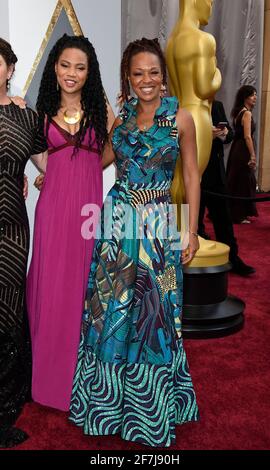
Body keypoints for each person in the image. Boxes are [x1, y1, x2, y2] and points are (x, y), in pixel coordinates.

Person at [69, 38, 200, 447]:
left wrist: (191, 229)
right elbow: (100, 159)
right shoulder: (121, 118)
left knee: (154, 318)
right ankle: (107, 406)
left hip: (160, 225)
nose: (147, 80)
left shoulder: (180, 119)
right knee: (111, 314)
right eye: (138, 73)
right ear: (128, 76)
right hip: (117, 223)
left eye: (154, 72)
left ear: (164, 77)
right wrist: (51, 164)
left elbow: (193, 176)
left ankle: (151, 408)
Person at [26, 34, 108, 412]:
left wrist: (85, 169)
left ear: (89, 72)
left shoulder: (102, 111)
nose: (71, 73)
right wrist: (50, 175)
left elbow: (109, 154)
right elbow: (43, 162)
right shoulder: (41, 113)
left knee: (85, 290)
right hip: (54, 212)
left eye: (80, 67)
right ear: (54, 68)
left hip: (89, 213)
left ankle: (84, 384)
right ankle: (49, 383)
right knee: (53, 289)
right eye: (64, 65)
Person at [0, 38, 47, 447]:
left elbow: (51, 165)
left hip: (13, 227)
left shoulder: (26, 118)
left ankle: (5, 408)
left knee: (10, 308)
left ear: (10, 69)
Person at [166, 0, 221, 209]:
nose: (210, 7)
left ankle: (177, 233)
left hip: (176, 113)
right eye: (209, 2)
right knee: (192, 178)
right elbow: (205, 87)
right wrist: (218, 74)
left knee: (178, 178)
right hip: (197, 113)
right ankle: (188, 234)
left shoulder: (172, 41)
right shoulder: (203, 39)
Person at [199, 100, 255, 276]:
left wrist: (223, 133)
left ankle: (233, 258)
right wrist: (205, 134)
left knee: (224, 221)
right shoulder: (181, 103)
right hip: (193, 176)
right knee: (192, 225)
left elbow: (230, 134)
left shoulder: (217, 105)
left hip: (216, 174)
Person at [226, 85, 258, 224]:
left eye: (255, 94)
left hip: (236, 149)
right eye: (252, 95)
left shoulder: (238, 112)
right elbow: (247, 136)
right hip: (243, 150)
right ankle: (239, 214)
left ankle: (237, 212)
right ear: (245, 97)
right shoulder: (247, 113)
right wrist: (252, 155)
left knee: (237, 179)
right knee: (243, 181)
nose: (255, 97)